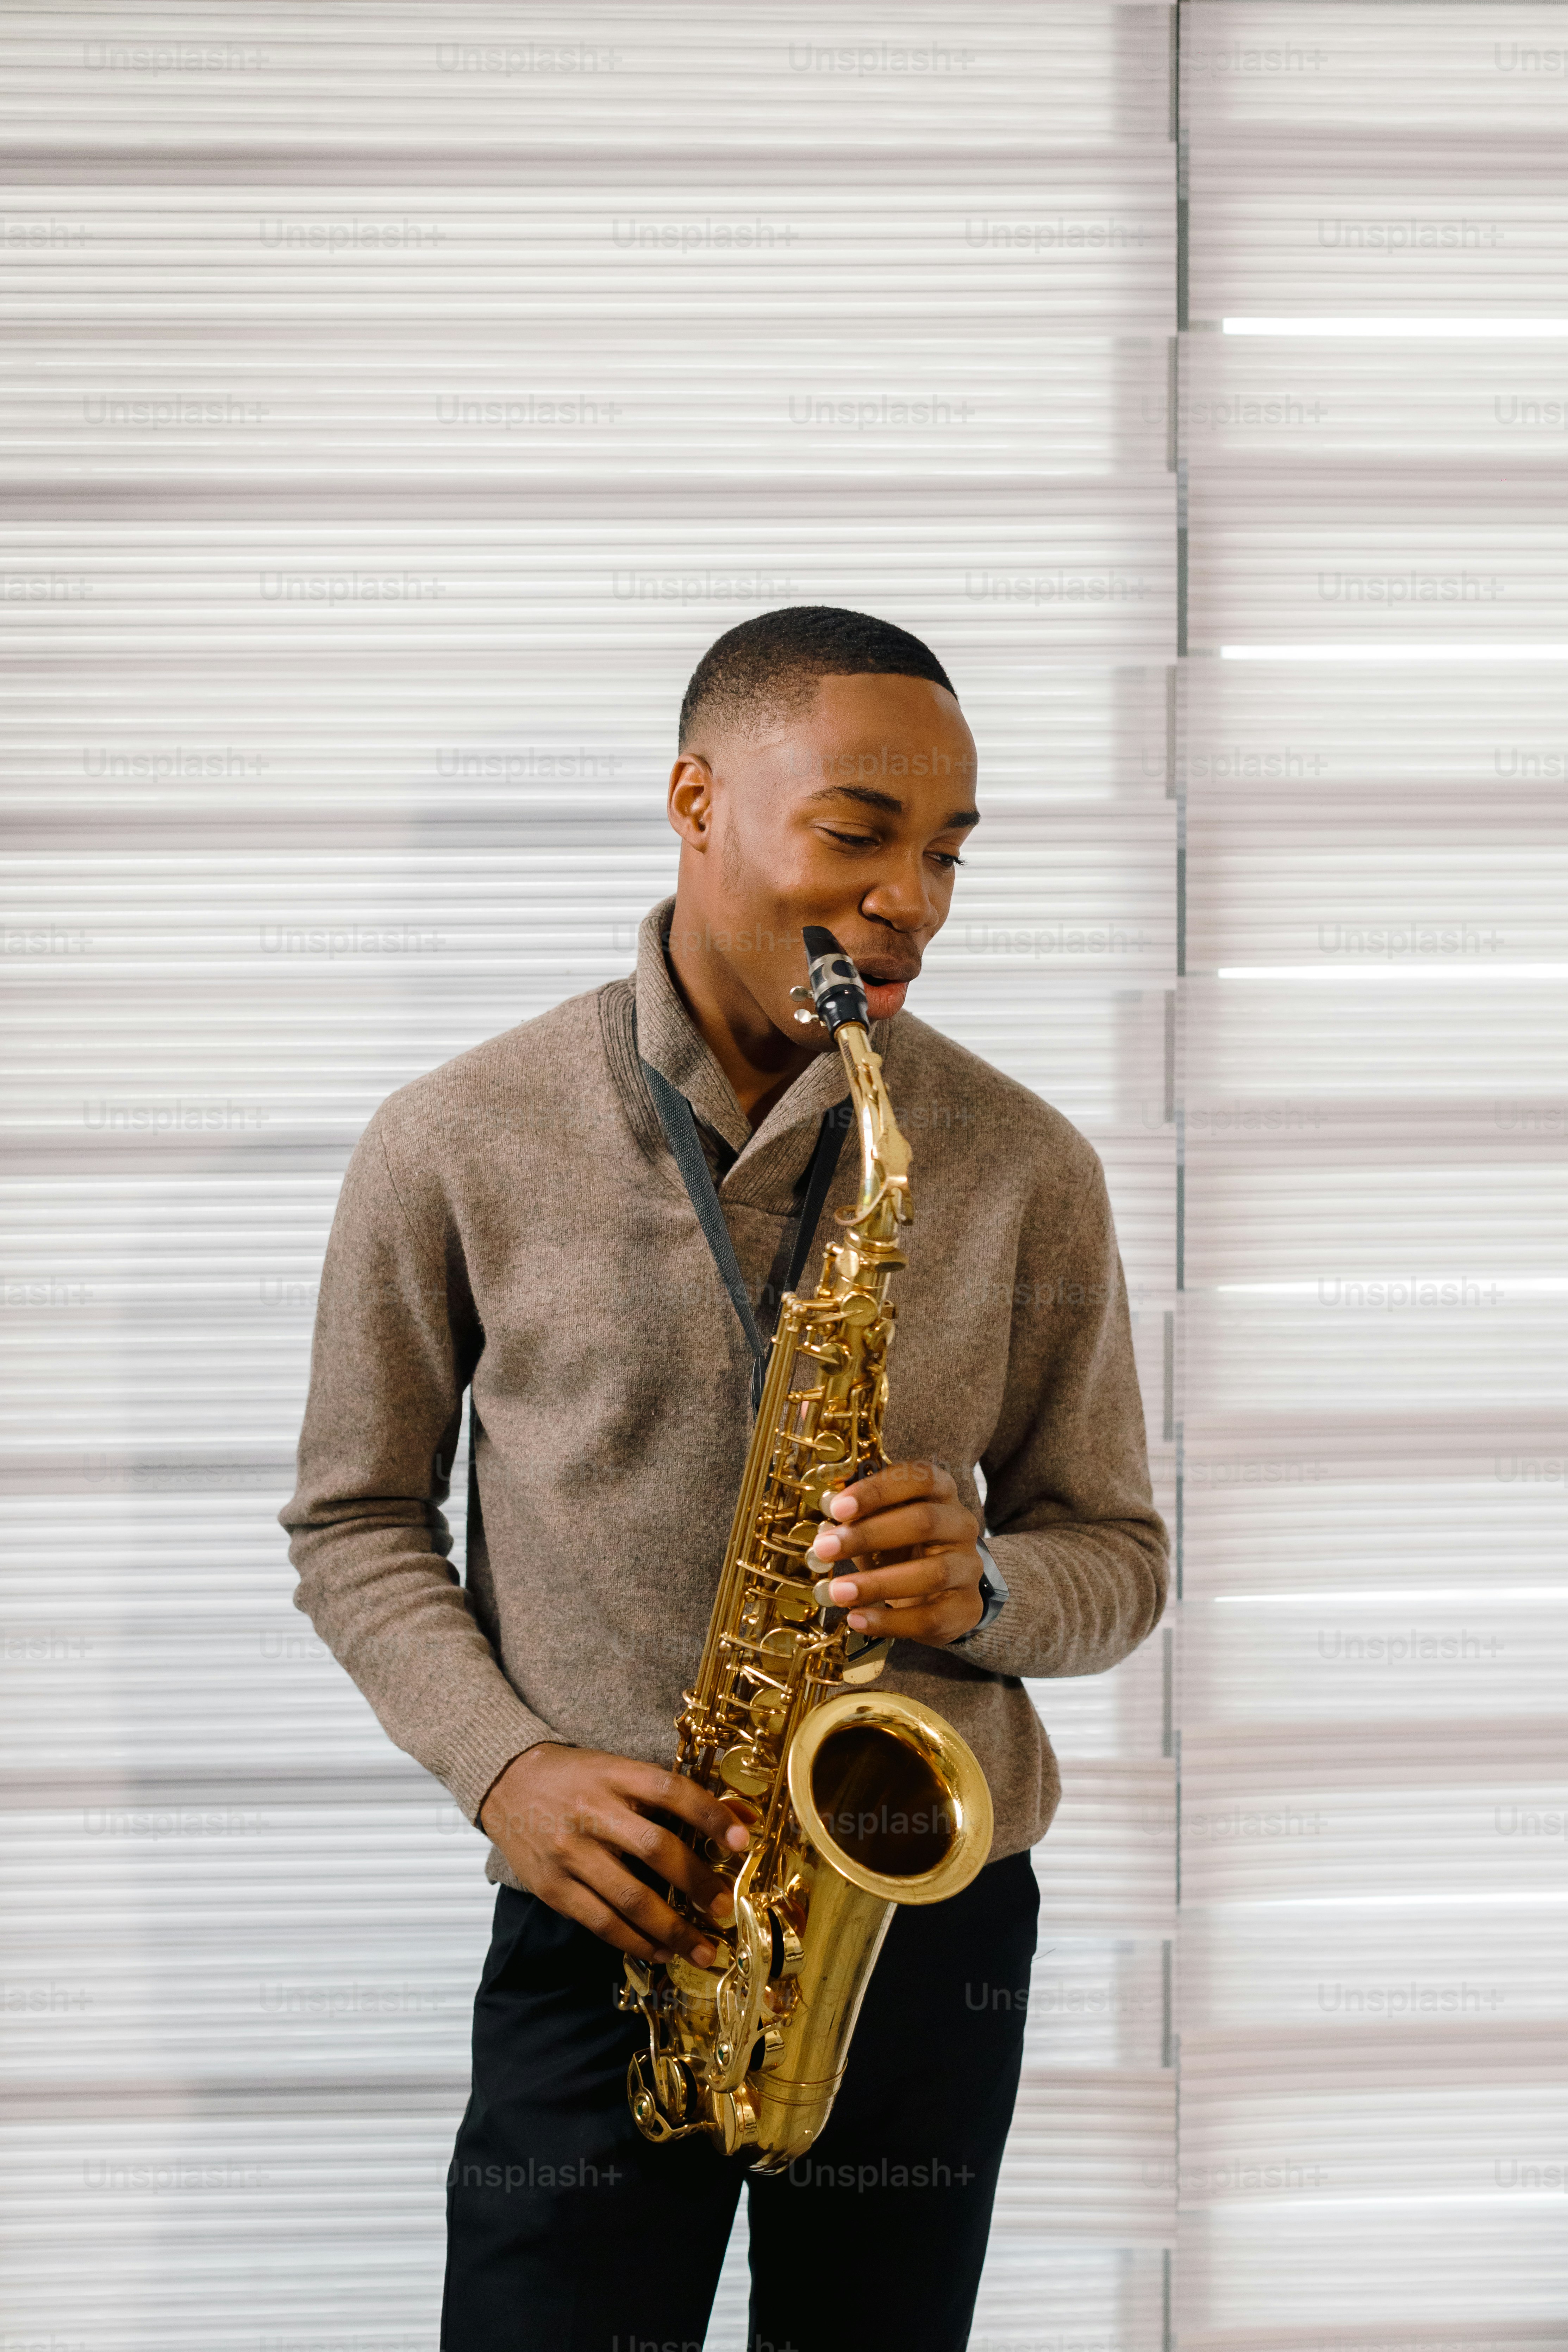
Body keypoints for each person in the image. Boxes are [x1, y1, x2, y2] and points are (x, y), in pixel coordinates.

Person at [282, 605, 1167, 2352]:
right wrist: (507, 1770)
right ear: (695, 797)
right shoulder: (454, 1136)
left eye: (944, 854)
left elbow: (1120, 1550)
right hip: (607, 1896)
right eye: (857, 832)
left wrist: (985, 1587)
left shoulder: (1019, 1159)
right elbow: (354, 1518)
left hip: (918, 1914)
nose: (909, 898)